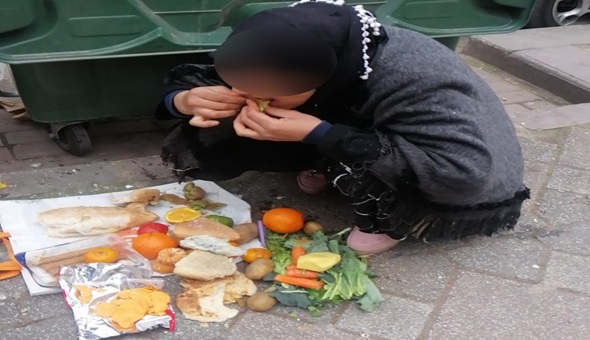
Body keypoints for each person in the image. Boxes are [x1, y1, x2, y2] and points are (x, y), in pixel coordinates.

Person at [155, 0, 530, 254]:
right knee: (234, 122)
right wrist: (185, 100)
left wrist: (317, 134)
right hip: (367, 121)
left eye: (268, 92)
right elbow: (207, 78)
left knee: (344, 146)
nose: (244, 94)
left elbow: (461, 172)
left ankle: (388, 221)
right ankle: (327, 164)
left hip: (462, 173)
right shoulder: (300, 46)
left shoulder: (417, 79)